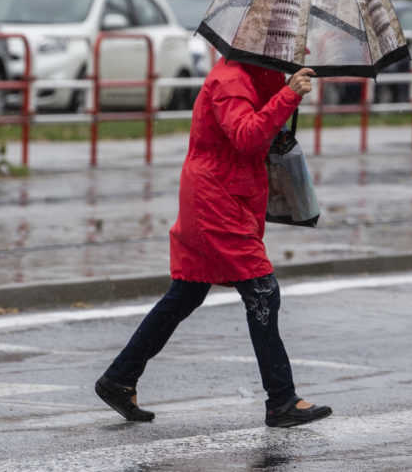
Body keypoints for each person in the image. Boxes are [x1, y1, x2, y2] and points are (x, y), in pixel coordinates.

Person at [95, 60, 331, 428]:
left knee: (186, 293)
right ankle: (281, 400)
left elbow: (262, 124)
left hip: (224, 197)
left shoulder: (253, 74)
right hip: (216, 203)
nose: (288, 49)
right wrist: (288, 95)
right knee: (263, 292)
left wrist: (286, 89)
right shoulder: (229, 80)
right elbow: (247, 136)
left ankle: (119, 379)